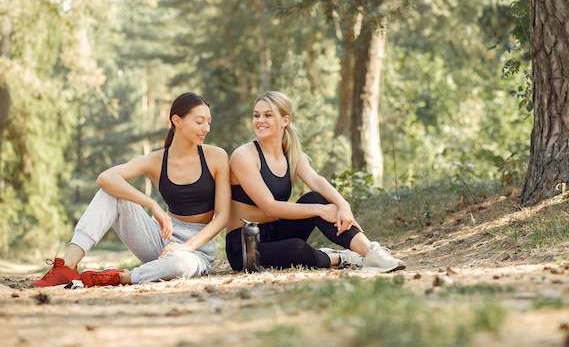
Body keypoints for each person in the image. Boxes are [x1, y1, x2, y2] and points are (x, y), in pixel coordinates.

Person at [31, 92, 230, 288]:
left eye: (208, 122)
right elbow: (105, 178)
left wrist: (186, 247)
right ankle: (66, 267)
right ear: (177, 121)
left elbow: (222, 217)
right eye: (199, 121)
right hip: (159, 238)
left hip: (195, 249)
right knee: (110, 192)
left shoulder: (216, 157)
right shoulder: (156, 161)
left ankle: (119, 277)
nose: (206, 128)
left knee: (180, 264)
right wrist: (151, 204)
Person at [225, 91, 405, 273]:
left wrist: (343, 204)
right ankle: (343, 257)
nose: (260, 120)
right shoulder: (244, 156)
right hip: (245, 244)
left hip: (277, 231)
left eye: (268, 115)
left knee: (316, 198)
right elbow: (269, 207)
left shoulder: (292, 155)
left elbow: (317, 181)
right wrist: (320, 210)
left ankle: (371, 252)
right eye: (256, 115)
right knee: (296, 248)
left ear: (285, 120)